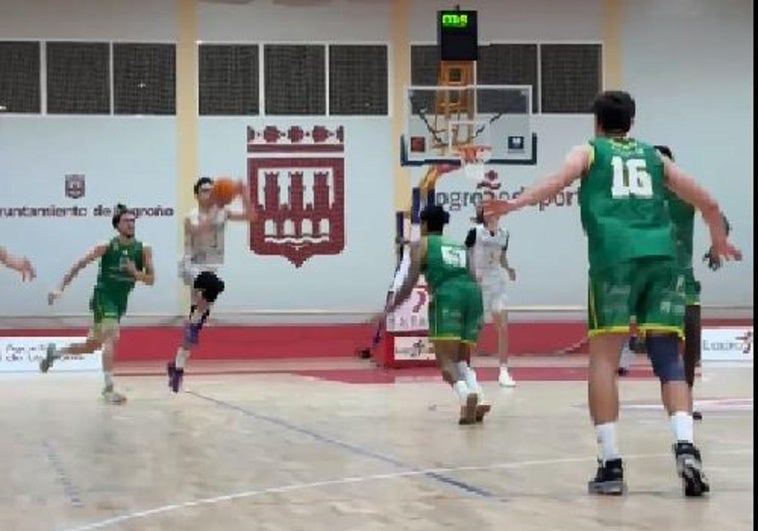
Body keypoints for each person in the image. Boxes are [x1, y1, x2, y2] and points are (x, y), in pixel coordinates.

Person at [484, 90, 741, 497]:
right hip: (663, 261)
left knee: (603, 361)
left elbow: (557, 181)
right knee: (670, 361)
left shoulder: (589, 151)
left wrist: (514, 204)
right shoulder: (656, 159)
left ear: (597, 123)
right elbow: (708, 202)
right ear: (632, 123)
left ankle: (611, 464)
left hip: (614, 260)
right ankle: (686, 446)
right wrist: (720, 242)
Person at [618, 145, 732, 423]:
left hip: (683, 279)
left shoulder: (685, 198)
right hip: (647, 277)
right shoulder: (638, 200)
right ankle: (634, 347)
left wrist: (718, 245)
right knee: (647, 339)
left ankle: (685, 399)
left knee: (691, 340)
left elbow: (718, 217)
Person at [378, 204, 489, 425]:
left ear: (425, 224)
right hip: (473, 296)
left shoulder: (422, 245)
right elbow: (475, 277)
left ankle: (466, 396)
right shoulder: (458, 245)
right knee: (461, 360)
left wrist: (389, 308)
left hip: (448, 295)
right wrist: (480, 314)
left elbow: (409, 283)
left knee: (445, 361)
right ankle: (479, 394)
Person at [41, 205, 155, 404]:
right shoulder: (107, 246)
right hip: (103, 297)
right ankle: (108, 389)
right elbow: (79, 264)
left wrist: (134, 272)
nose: (131, 224)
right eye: (126, 221)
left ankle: (55, 353)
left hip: (120, 302)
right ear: (117, 226)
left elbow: (151, 279)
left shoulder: (143, 249)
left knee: (91, 346)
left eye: (133, 221)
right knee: (112, 335)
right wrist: (59, 288)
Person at [167, 176, 254, 393]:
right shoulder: (191, 217)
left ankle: (177, 367)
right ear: (197, 194)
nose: (209, 193)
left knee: (197, 319)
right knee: (215, 285)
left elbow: (252, 216)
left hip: (211, 267)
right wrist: (217, 209)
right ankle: (193, 325)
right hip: (191, 266)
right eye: (205, 190)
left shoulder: (222, 212)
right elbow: (198, 232)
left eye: (212, 190)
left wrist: (243, 194)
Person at [465, 204, 517, 387]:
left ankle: (503, 371)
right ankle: (467, 369)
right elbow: (465, 255)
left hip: (497, 282)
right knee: (475, 327)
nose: (493, 213)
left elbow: (501, 257)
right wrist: (470, 275)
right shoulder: (475, 232)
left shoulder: (505, 234)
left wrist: (509, 269)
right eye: (488, 210)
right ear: (483, 215)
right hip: (478, 283)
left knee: (503, 327)